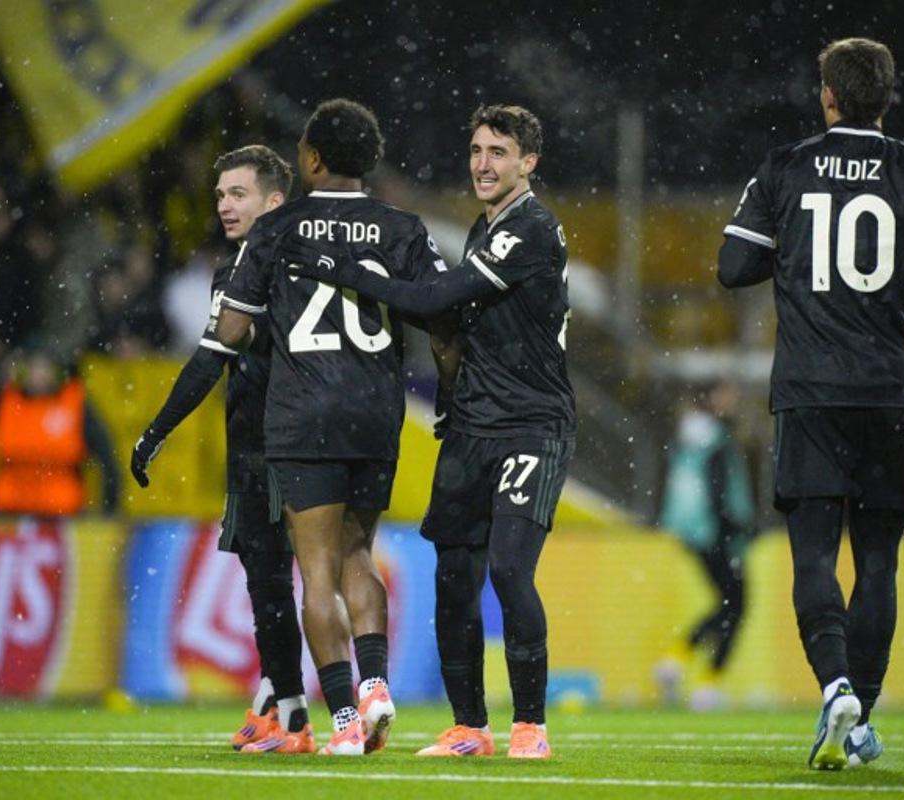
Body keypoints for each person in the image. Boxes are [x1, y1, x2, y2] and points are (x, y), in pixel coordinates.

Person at [717, 38, 904, 770]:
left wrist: (795, 255)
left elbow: (733, 266)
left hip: (811, 388)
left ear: (827, 94)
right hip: (891, 387)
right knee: (879, 563)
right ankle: (863, 719)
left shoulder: (787, 166)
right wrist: (903, 289)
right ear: (887, 98)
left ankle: (835, 689)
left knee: (814, 554)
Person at [293, 104, 575, 760]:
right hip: (474, 426)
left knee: (507, 569)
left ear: (528, 163)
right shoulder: (487, 228)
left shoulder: (529, 227)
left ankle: (530, 727)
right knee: (454, 576)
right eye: (476, 150)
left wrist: (344, 268)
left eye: (498, 152)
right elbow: (453, 325)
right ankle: (469, 726)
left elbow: (435, 301)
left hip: (533, 425)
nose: (482, 163)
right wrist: (450, 398)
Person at [215, 99, 447, 756]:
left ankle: (345, 720)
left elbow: (232, 329)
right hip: (376, 413)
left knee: (315, 570)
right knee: (356, 555)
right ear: (370, 161)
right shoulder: (403, 228)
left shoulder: (278, 228)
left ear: (310, 158)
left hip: (304, 414)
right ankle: (376, 683)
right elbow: (438, 311)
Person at [129, 145, 310, 753]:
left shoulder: (261, 273)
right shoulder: (294, 265)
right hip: (274, 445)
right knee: (278, 582)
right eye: (220, 195)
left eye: (238, 194)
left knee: (278, 583)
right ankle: (282, 699)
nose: (224, 205)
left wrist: (156, 431)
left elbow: (210, 363)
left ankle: (298, 715)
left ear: (274, 201)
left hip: (274, 446)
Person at [658, 380, 756, 694]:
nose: (733, 400)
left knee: (728, 604)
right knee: (735, 605)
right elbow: (718, 488)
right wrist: (734, 525)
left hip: (694, 530)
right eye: (727, 394)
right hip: (716, 532)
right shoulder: (715, 438)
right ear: (712, 398)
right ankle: (705, 681)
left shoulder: (690, 436)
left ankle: (681, 660)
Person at [0, 344, 119, 516]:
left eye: (45, 367)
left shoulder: (75, 402)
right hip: (8, 510)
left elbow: (106, 456)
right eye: (33, 367)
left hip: (62, 513)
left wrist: (109, 507)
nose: (39, 375)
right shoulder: (3, 399)